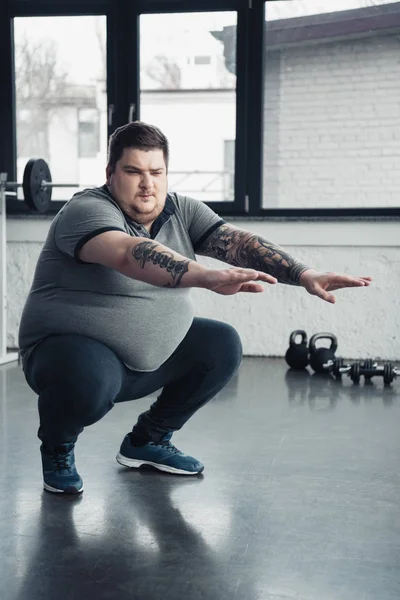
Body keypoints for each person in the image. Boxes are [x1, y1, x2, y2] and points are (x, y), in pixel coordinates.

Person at [18, 121, 372, 495]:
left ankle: (148, 441)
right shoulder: (86, 210)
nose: (147, 184)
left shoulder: (180, 211)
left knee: (221, 344)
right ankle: (57, 448)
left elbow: (237, 242)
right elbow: (127, 254)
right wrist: (205, 276)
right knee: (88, 379)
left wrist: (303, 273)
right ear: (110, 174)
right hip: (66, 356)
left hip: (145, 362)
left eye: (156, 172)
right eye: (133, 171)